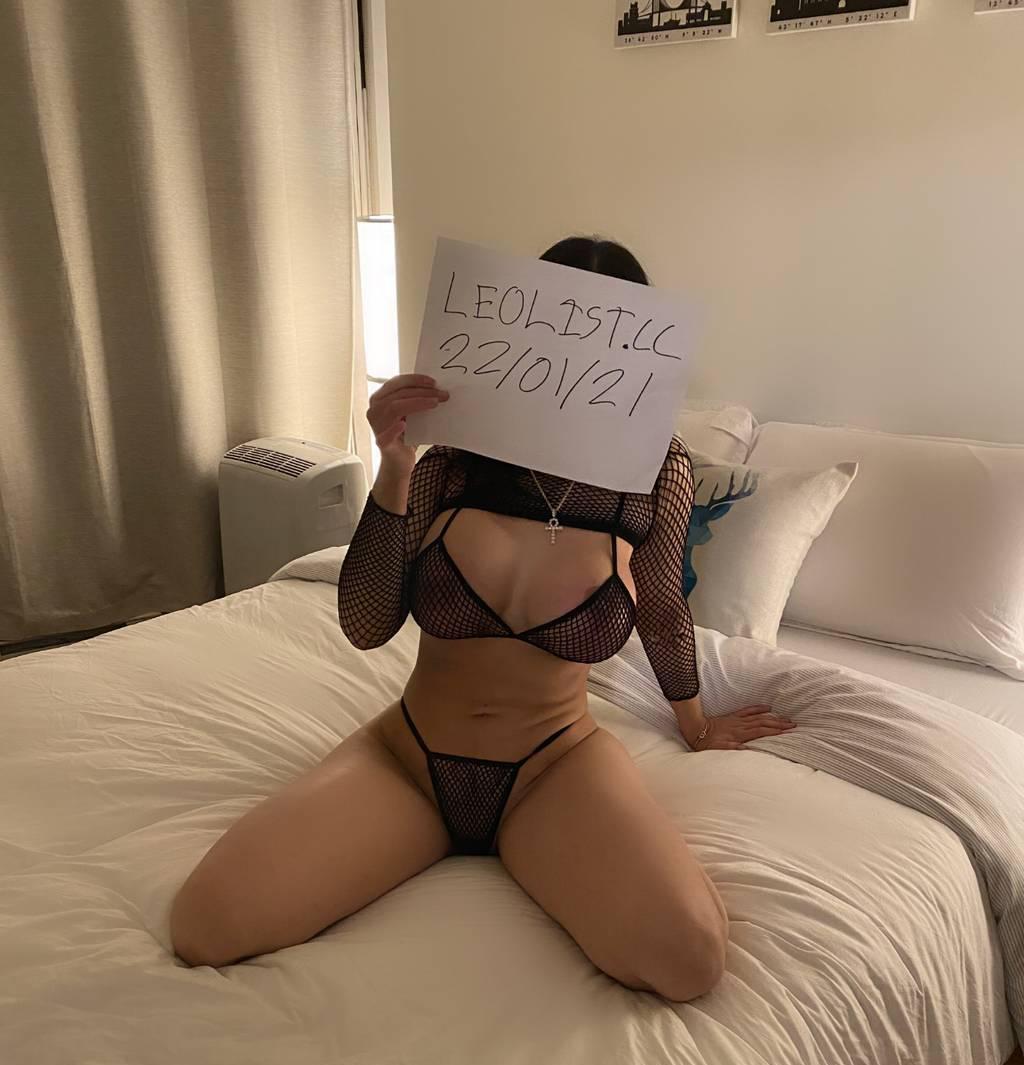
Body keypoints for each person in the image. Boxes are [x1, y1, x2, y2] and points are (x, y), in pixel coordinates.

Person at [169, 236, 795, 1002]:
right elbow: (366, 623)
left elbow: (663, 608)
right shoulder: (452, 461)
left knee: (690, 956)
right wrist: (394, 468)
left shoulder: (651, 475)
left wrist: (695, 724)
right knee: (204, 924)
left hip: (554, 767)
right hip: (410, 760)